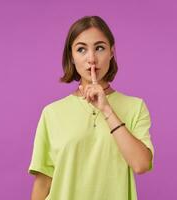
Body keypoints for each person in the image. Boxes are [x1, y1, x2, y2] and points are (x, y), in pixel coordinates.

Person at [28, 16, 155, 200]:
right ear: (71, 56)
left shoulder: (135, 107)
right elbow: (43, 182)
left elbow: (141, 165)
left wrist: (107, 109)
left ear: (111, 52)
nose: (92, 59)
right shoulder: (52, 113)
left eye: (99, 48)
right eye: (81, 49)